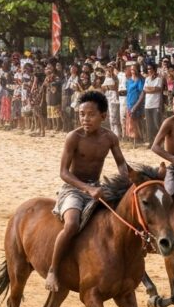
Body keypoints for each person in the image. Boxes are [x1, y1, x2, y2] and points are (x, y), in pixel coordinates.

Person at [45, 91, 128, 293]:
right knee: (72, 223)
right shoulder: (73, 137)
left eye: (90, 114)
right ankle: (53, 270)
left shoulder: (110, 138)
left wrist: (130, 181)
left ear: (103, 116)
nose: (85, 119)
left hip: (97, 187)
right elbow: (63, 172)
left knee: (124, 217)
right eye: (82, 114)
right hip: (73, 189)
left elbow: (122, 165)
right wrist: (88, 188)